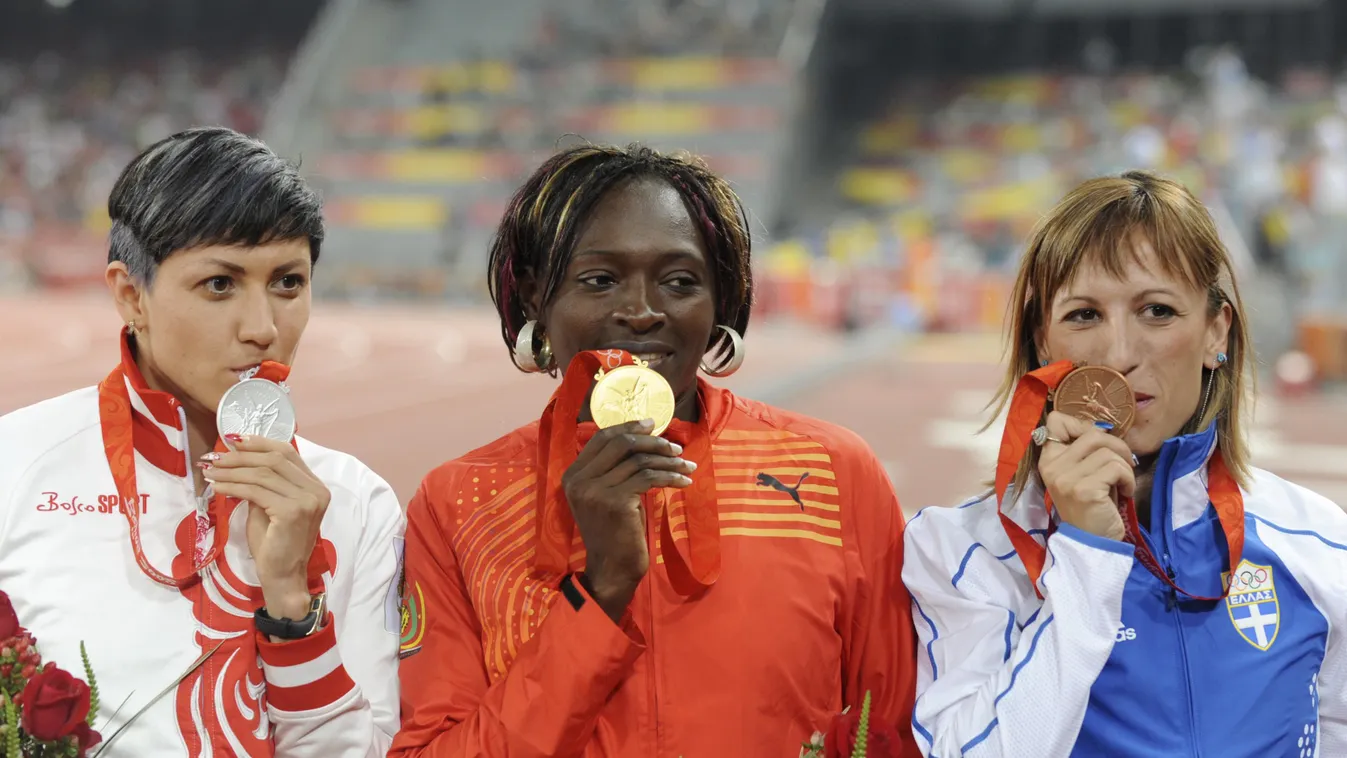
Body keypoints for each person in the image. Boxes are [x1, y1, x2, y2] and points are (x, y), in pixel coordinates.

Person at [389, 144, 921, 757]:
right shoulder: (461, 502)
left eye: (679, 281)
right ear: (536, 296)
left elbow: (887, 733)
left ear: (720, 298)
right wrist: (600, 592)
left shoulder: (833, 472)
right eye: (599, 280)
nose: (641, 312)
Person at [902, 170, 1347, 756]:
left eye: (1157, 311)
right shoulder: (963, 554)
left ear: (1217, 331)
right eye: (1084, 315)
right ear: (1043, 341)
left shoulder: (1317, 539)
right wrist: (1085, 559)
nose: (1119, 354)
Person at [0, 127, 404, 756]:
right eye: (220, 284)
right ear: (131, 295)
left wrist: (294, 608)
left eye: (288, 283)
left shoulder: (358, 505)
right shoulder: (15, 463)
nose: (264, 328)